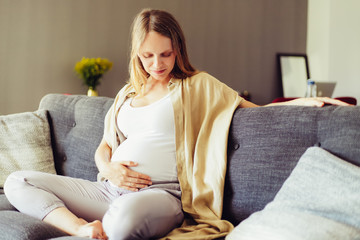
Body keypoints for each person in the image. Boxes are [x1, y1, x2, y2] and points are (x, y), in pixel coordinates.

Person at [4, 8, 350, 240]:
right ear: (137, 54)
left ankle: (104, 228)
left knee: (122, 223)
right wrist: (109, 168)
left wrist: (306, 102)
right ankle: (82, 231)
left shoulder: (195, 85)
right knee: (17, 181)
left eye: (165, 54)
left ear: (178, 49)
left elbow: (253, 108)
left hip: (161, 195)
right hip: (109, 191)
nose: (157, 63)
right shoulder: (128, 93)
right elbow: (105, 146)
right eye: (148, 55)